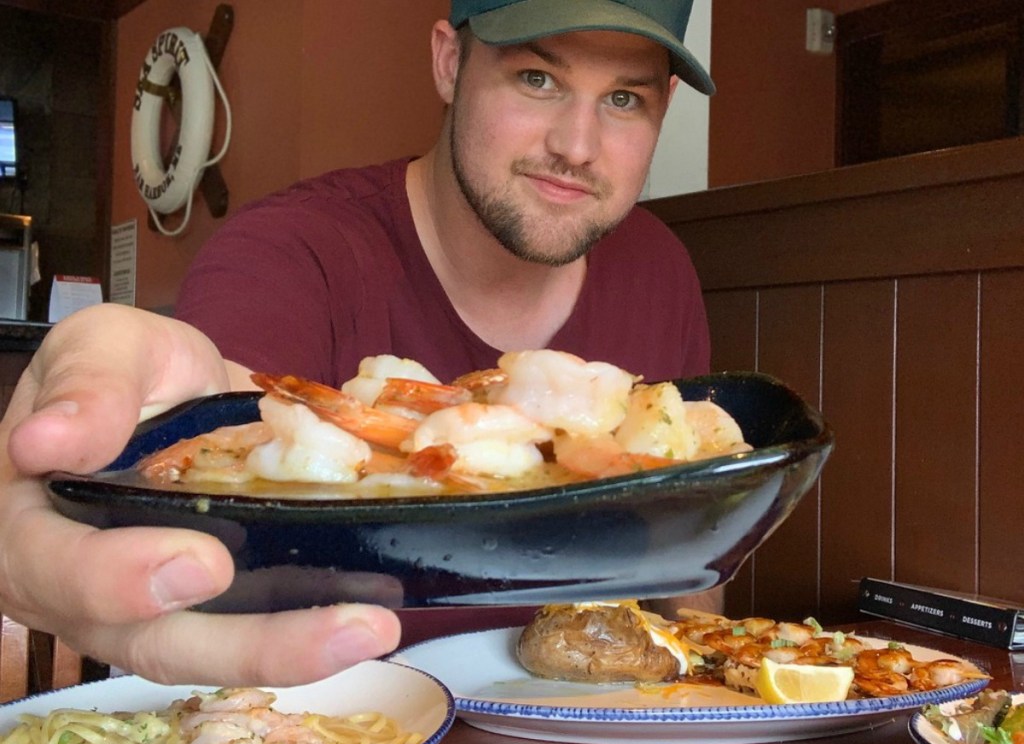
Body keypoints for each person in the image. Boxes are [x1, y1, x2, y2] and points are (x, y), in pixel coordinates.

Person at [0, 0, 716, 688]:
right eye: (538, 79)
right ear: (448, 61)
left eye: (624, 99)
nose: (577, 147)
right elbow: (226, 442)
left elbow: (694, 569)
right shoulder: (284, 256)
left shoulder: (661, 270)